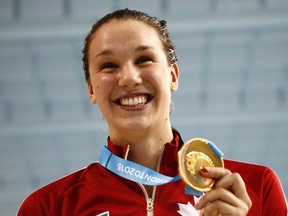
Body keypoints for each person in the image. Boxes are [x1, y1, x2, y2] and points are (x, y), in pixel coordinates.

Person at [18, 8, 287, 216]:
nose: (129, 78)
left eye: (144, 59)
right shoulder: (49, 206)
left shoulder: (255, 187)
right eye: (109, 65)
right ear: (91, 89)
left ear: (173, 76)